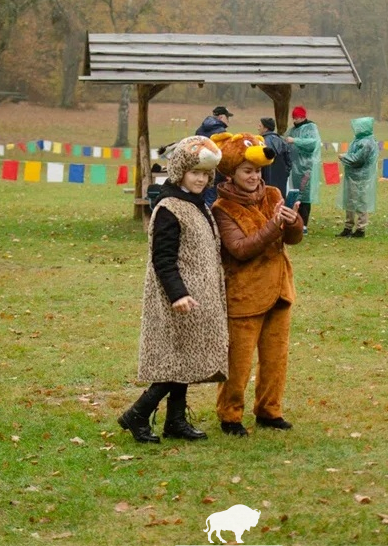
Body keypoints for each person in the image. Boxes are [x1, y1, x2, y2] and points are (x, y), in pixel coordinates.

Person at [117, 136, 228, 443]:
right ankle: (137, 414)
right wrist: (177, 294)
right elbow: (163, 258)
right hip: (177, 298)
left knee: (186, 359)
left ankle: (175, 421)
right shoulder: (169, 208)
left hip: (197, 299)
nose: (201, 179)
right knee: (174, 362)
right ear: (180, 171)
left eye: (206, 175)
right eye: (196, 173)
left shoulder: (196, 204)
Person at [210, 131, 303, 436]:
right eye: (247, 171)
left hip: (279, 289)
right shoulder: (222, 209)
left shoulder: (275, 195)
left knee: (276, 358)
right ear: (232, 172)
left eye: (257, 171)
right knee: (239, 362)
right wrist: (275, 225)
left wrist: (292, 221)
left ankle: (269, 410)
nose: (254, 177)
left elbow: (293, 239)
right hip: (245, 294)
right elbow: (240, 249)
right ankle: (230, 415)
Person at [336, 117, 379, 238]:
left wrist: (344, 157)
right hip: (352, 176)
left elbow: (358, 159)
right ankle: (348, 227)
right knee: (350, 201)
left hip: (361, 177)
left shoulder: (367, 143)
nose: (356, 129)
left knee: (360, 202)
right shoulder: (358, 140)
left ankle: (360, 229)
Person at [284, 106, 322, 234]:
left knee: (304, 195)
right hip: (294, 168)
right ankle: (295, 221)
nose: (295, 120)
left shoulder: (311, 128)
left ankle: (304, 224)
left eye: (297, 118)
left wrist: (295, 140)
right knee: (295, 195)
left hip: (306, 167)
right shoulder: (293, 129)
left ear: (303, 117)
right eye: (293, 118)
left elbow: (312, 143)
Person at [195, 106, 234, 208]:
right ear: (221, 117)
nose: (228, 120)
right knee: (213, 201)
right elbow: (225, 154)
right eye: (227, 117)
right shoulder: (222, 132)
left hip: (201, 169)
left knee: (201, 198)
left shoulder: (199, 130)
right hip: (216, 172)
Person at [257, 117, 292, 199]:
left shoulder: (261, 143)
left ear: (266, 128)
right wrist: (284, 175)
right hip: (281, 183)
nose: (258, 128)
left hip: (265, 182)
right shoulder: (283, 141)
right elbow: (289, 162)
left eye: (260, 126)